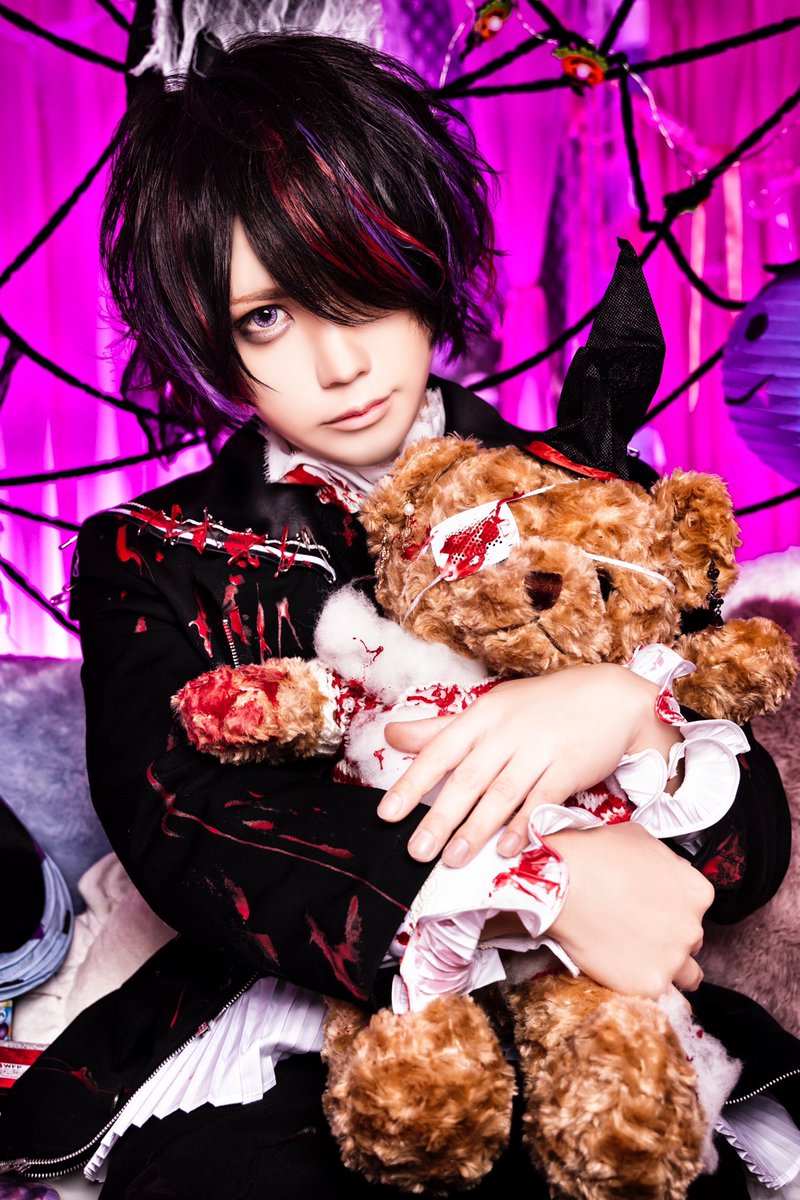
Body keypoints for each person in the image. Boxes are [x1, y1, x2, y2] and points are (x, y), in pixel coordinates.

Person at [0, 31, 797, 1200]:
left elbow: (747, 852)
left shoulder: (591, 493)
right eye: (267, 317)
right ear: (209, 335)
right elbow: (188, 822)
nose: (338, 363)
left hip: (609, 1032)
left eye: (359, 282)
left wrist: (628, 711)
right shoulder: (151, 551)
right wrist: (543, 884)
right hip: (289, 1029)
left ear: (421, 256)